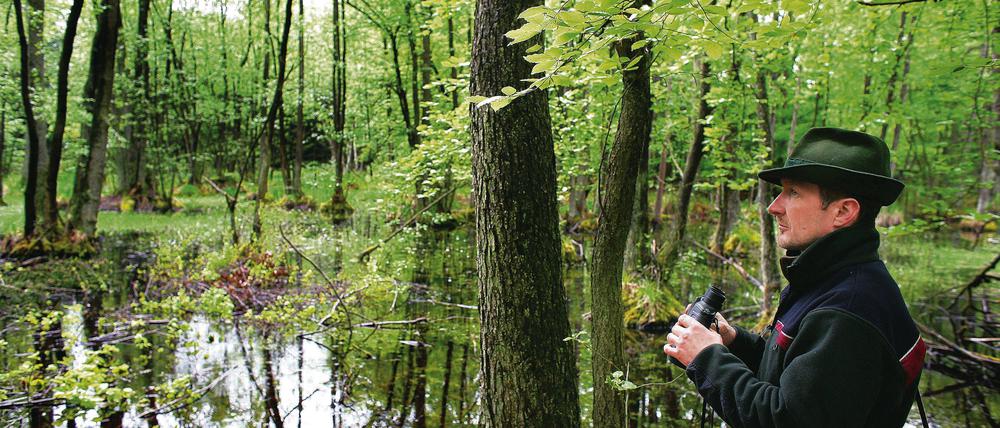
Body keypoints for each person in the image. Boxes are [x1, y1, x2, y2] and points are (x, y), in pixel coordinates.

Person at [663, 127, 926, 427]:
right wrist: (732, 342)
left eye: (793, 193)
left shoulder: (849, 311)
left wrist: (707, 357)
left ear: (843, 212)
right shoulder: (831, 279)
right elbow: (793, 376)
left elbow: (787, 418)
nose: (774, 207)